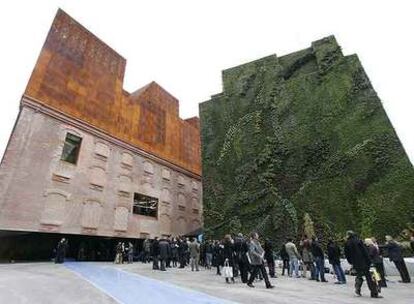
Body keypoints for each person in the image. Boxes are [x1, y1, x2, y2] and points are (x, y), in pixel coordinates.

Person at [344, 231, 382, 298]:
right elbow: (365, 252)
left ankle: (357, 289)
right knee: (370, 277)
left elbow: (347, 254)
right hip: (364, 262)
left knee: (359, 275)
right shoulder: (359, 241)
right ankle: (374, 293)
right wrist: (369, 261)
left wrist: (351, 262)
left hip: (356, 262)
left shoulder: (347, 243)